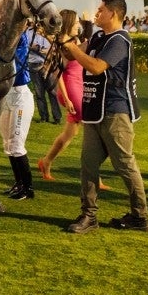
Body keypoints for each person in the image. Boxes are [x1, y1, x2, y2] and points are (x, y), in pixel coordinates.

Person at [56, 0, 148, 234]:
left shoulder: (120, 40)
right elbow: (73, 57)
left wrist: (73, 47)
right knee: (88, 166)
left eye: (101, 10)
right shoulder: (99, 37)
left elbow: (96, 66)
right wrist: (65, 41)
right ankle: (89, 216)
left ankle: (140, 216)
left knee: (125, 165)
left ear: (113, 14)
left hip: (115, 112)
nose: (96, 14)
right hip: (94, 111)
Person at [37, 11, 90, 182]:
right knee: (93, 131)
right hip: (71, 89)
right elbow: (57, 74)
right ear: (67, 24)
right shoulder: (62, 46)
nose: (78, 25)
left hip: (79, 86)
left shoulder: (73, 42)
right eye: (75, 23)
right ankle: (93, 176)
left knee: (70, 134)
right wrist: (66, 99)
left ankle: (46, 162)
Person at [0, 18, 37, 200]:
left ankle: (28, 188)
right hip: (7, 96)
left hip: (20, 96)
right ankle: (19, 183)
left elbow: (17, 58)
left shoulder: (20, 43)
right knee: (8, 143)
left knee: (16, 144)